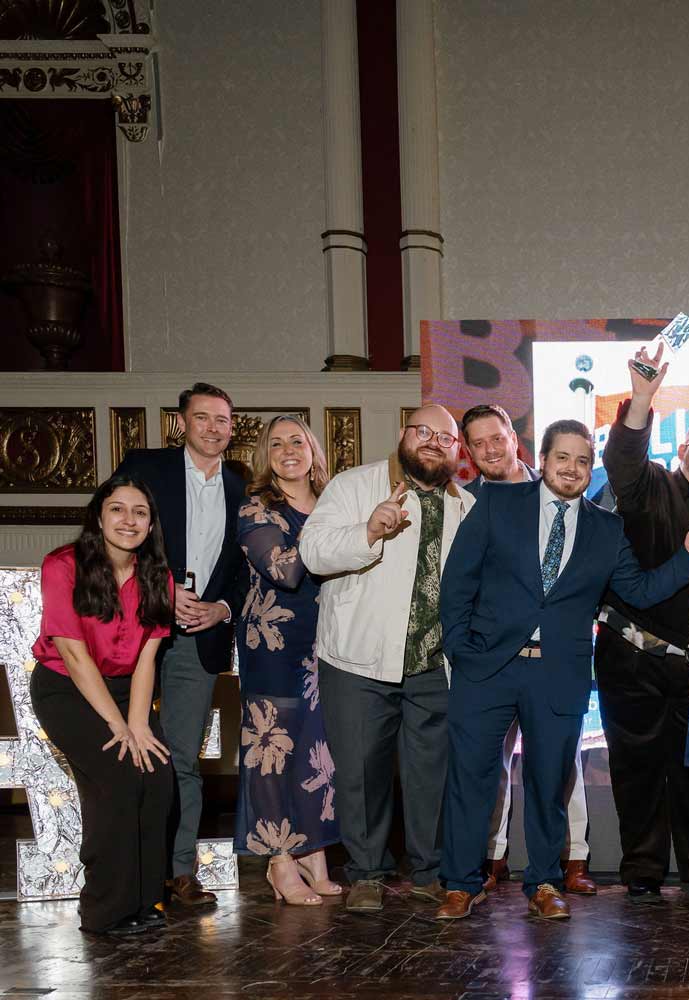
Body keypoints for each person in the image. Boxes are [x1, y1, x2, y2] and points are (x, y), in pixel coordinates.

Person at [435, 420, 689, 921]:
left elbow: (642, 591)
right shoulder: (497, 503)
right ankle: (459, 883)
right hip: (487, 669)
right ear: (542, 459)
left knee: (548, 781)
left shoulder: (607, 528)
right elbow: (456, 584)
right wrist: (462, 650)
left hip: (558, 675)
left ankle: (542, 881)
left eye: (583, 461)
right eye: (564, 458)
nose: (573, 469)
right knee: (471, 779)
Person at [300, 404, 476, 912]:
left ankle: (428, 871)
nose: (433, 443)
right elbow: (313, 553)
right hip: (357, 660)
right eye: (424, 432)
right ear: (403, 434)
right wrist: (369, 532)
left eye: (445, 438)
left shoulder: (465, 506)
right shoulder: (355, 485)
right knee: (360, 772)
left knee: (431, 776)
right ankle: (367, 874)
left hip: (433, 664)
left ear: (456, 452)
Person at [596, 343, 689, 902]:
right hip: (632, 658)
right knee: (637, 772)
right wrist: (643, 397)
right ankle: (643, 871)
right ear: (682, 451)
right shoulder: (650, 484)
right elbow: (622, 462)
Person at [113, 382, 246, 907]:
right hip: (138, 626)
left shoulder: (242, 487)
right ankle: (128, 871)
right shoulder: (146, 468)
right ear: (182, 424)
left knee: (181, 755)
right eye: (203, 418)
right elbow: (113, 533)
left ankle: (179, 871)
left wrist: (222, 609)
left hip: (198, 638)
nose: (213, 427)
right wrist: (164, 591)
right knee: (125, 747)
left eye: (222, 420)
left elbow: (244, 567)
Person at [30, 476, 175, 935]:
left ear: (151, 525)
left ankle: (147, 900)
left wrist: (139, 722)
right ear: (98, 515)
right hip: (65, 687)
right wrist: (119, 728)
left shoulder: (160, 577)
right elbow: (73, 654)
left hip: (125, 688)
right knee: (116, 775)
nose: (128, 520)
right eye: (117, 509)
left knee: (156, 773)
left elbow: (148, 657)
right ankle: (105, 911)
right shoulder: (62, 565)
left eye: (139, 512)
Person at [459, 405, 594, 894]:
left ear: (514, 437)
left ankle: (571, 859)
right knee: (490, 764)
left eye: (497, 438)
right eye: (479, 444)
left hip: (554, 658)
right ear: (468, 453)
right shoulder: (466, 502)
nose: (492, 449)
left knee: (560, 764)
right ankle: (491, 858)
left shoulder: (562, 483)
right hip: (491, 658)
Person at [233, 415, 341, 905]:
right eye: (276, 444)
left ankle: (313, 851)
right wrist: (345, 531)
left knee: (316, 748)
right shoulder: (257, 509)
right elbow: (285, 569)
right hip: (272, 643)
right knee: (272, 750)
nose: (288, 450)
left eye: (297, 440)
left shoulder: (332, 501)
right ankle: (279, 861)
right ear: (265, 456)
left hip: (326, 642)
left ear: (313, 450)